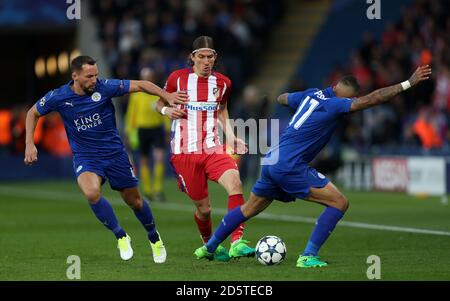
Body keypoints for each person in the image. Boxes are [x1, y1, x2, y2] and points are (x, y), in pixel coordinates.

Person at [194, 65, 432, 267]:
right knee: (339, 202)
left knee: (249, 208)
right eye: (347, 98)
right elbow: (372, 99)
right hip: (290, 165)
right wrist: (408, 83)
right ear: (341, 92)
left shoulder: (310, 95)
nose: (347, 103)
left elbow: (284, 97)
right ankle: (308, 256)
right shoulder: (335, 104)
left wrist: (283, 98)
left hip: (271, 160)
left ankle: (210, 247)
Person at [24, 55, 187, 263]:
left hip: (115, 154)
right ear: (75, 76)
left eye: (96, 75)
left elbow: (141, 84)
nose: (94, 80)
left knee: (134, 201)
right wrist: (30, 143)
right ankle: (121, 235)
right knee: (91, 193)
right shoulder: (58, 97)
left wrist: (167, 95)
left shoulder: (105, 87)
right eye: (89, 76)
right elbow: (32, 113)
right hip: (86, 156)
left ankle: (154, 238)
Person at [155, 36, 255, 261]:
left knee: (235, 183)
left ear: (215, 58)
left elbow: (222, 110)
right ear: (192, 57)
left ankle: (237, 241)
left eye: (210, 57)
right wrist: (165, 111)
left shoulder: (223, 83)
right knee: (204, 209)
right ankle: (210, 244)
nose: (206, 61)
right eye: (201, 56)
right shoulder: (177, 79)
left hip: (213, 148)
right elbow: (159, 102)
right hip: (184, 153)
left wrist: (232, 138)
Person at [125, 67, 170, 202]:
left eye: (149, 76)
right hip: (142, 130)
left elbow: (164, 111)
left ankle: (158, 189)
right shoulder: (136, 95)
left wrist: (168, 129)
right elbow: (131, 114)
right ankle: (147, 190)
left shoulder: (158, 93)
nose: (148, 79)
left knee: (159, 158)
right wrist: (128, 132)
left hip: (156, 129)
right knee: (143, 160)